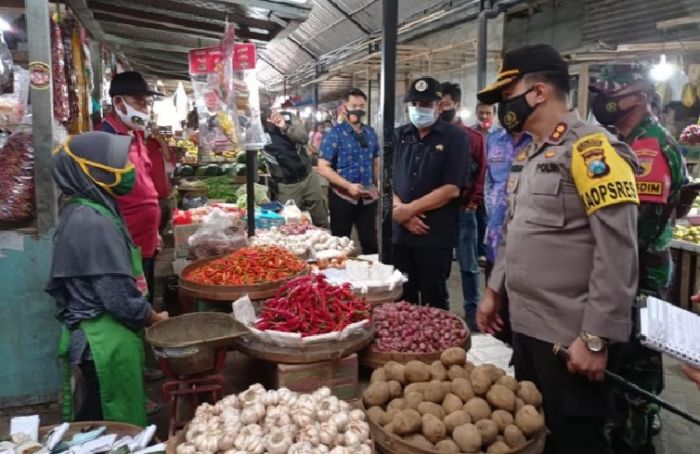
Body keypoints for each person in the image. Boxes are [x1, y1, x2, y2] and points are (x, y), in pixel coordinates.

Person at [476, 44, 640, 454]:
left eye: (507, 93)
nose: (502, 106)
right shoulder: (534, 153)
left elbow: (618, 251)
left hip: (571, 340)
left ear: (538, 92)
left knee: (573, 441)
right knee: (534, 435)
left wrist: (597, 338)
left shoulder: (593, 151)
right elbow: (516, 230)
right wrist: (496, 289)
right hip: (527, 330)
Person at [590, 64, 688, 453]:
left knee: (638, 358)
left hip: (642, 270)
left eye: (612, 92)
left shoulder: (648, 147)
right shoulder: (622, 141)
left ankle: (635, 436)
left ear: (639, 96)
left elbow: (638, 226)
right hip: (629, 267)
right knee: (622, 355)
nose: (604, 100)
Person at [46, 131, 169, 426]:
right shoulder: (91, 222)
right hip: (101, 340)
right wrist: (155, 318)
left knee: (98, 412)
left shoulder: (87, 208)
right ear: (93, 170)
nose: (128, 170)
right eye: (120, 164)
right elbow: (117, 297)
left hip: (102, 335)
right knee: (105, 418)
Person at [393, 77, 471, 310]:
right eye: (414, 103)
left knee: (433, 299)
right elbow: (385, 181)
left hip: (434, 234)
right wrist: (402, 213)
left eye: (425, 104)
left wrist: (409, 210)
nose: (418, 109)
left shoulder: (455, 138)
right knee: (400, 298)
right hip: (400, 235)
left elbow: (451, 188)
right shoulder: (399, 136)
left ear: (440, 106)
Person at [97, 71, 161, 302]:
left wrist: (154, 232)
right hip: (126, 245)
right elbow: (105, 194)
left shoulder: (134, 135)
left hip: (145, 241)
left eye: (146, 103)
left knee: (146, 298)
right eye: (137, 101)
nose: (144, 109)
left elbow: (144, 180)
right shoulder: (109, 140)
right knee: (134, 303)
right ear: (118, 102)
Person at [440, 82, 486, 330]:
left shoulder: (473, 138)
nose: (442, 108)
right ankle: (444, 312)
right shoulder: (432, 136)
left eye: (446, 103)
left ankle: (472, 315)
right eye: (439, 104)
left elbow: (481, 172)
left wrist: (473, 203)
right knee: (441, 264)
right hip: (439, 212)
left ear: (457, 105)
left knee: (468, 265)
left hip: (464, 210)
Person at [483, 125, 532, 345]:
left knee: (523, 321)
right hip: (496, 237)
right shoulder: (494, 138)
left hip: (528, 245)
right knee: (498, 318)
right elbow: (488, 181)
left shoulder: (545, 140)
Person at [318, 89, 380, 254]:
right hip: (342, 196)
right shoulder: (335, 134)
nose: (358, 110)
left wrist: (378, 185)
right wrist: (348, 186)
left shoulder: (371, 133)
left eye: (361, 106)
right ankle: (337, 278)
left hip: (367, 198)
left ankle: (373, 276)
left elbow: (375, 162)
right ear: (344, 107)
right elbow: (323, 167)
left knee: (370, 241)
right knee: (338, 243)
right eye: (354, 105)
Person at [260, 107, 329, 228]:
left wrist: (285, 126)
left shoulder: (288, 117)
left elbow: (304, 138)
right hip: (286, 186)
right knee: (289, 224)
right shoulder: (257, 132)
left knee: (320, 217)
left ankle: (325, 241)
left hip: (307, 177)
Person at [473, 102, 498, 261]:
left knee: (486, 220)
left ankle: (484, 251)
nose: (484, 116)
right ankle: (476, 251)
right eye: (481, 113)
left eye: (487, 113)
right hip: (474, 183)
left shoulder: (500, 135)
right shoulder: (469, 133)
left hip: (493, 186)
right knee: (473, 220)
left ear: (493, 115)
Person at [145, 127, 176, 233]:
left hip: (159, 193)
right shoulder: (135, 145)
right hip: (148, 195)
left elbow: (168, 157)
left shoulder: (156, 145)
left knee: (161, 219)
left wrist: (160, 140)